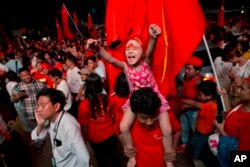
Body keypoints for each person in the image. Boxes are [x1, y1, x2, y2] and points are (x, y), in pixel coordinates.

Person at [87, 24, 175, 167]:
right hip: (135, 101)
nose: (130, 51)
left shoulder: (146, 64)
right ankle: (132, 157)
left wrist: (152, 38)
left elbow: (150, 51)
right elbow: (110, 59)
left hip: (154, 100)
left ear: (143, 54)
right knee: (123, 127)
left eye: (135, 48)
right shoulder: (125, 67)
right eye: (128, 48)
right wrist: (98, 48)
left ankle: (169, 159)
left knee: (167, 130)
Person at [31, 88, 90, 167]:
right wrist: (40, 124)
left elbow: (84, 158)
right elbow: (37, 138)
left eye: (43, 106)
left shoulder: (69, 126)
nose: (38, 109)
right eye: (38, 105)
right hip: (57, 161)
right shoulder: (49, 118)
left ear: (56, 106)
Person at [78, 73, 119, 167]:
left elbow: (84, 125)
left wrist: (84, 138)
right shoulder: (109, 99)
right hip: (111, 134)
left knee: (101, 160)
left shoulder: (84, 105)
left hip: (95, 138)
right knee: (113, 157)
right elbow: (113, 115)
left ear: (87, 86)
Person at [128, 87, 176, 167]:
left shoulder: (167, 116)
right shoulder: (129, 122)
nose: (149, 123)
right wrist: (128, 149)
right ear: (135, 113)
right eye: (144, 117)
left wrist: (172, 151)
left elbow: (177, 132)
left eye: (154, 116)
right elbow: (119, 132)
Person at [180, 80, 218, 166]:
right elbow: (197, 104)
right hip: (198, 132)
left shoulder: (211, 106)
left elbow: (195, 103)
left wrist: (179, 99)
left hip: (204, 135)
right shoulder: (208, 102)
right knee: (191, 145)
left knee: (197, 151)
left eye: (200, 94)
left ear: (209, 96)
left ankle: (197, 162)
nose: (198, 95)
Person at [215, 77, 250, 167]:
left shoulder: (248, 119)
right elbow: (230, 113)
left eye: (242, 88)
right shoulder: (243, 103)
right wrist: (225, 96)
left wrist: (221, 130)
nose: (238, 91)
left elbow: (242, 156)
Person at [178, 56, 203, 152]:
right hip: (184, 109)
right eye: (186, 68)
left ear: (197, 71)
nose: (186, 71)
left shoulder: (199, 83)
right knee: (184, 128)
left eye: (189, 69)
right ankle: (185, 144)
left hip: (194, 111)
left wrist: (187, 105)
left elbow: (202, 101)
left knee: (195, 130)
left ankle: (197, 148)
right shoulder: (185, 78)